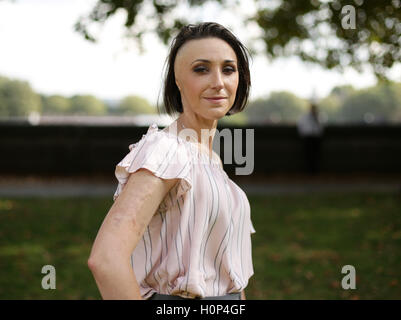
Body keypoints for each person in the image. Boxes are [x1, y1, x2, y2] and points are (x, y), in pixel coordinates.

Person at [87, 22, 256, 300]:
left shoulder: (209, 157)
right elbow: (106, 259)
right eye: (201, 69)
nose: (218, 82)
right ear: (177, 81)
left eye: (228, 69)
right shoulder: (165, 150)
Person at [296, 103, 324, 175]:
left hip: (315, 138)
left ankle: (313, 170)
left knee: (315, 155)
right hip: (308, 138)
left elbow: (320, 128)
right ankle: (310, 170)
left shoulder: (318, 117)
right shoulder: (305, 117)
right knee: (309, 155)